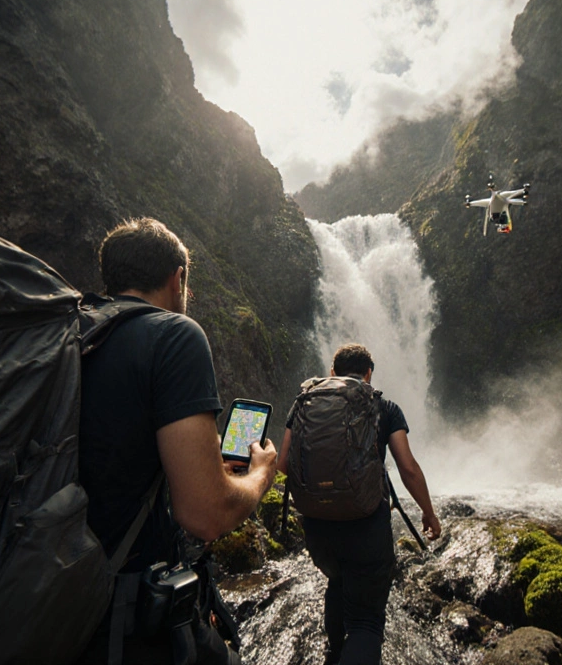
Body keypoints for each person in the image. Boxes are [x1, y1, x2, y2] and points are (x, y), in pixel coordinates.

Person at [78, 217, 277, 664]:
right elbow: (205, 516)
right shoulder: (174, 335)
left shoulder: (76, 334)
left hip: (53, 599)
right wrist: (260, 477)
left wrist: (200, 468)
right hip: (128, 618)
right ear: (177, 278)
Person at [278, 343, 441, 665]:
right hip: (366, 524)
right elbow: (407, 467)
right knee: (366, 621)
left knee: (338, 582)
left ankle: (334, 653)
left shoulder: (302, 405)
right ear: (368, 374)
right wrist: (428, 512)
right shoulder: (384, 407)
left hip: (317, 524)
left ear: (332, 372)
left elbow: (283, 464)